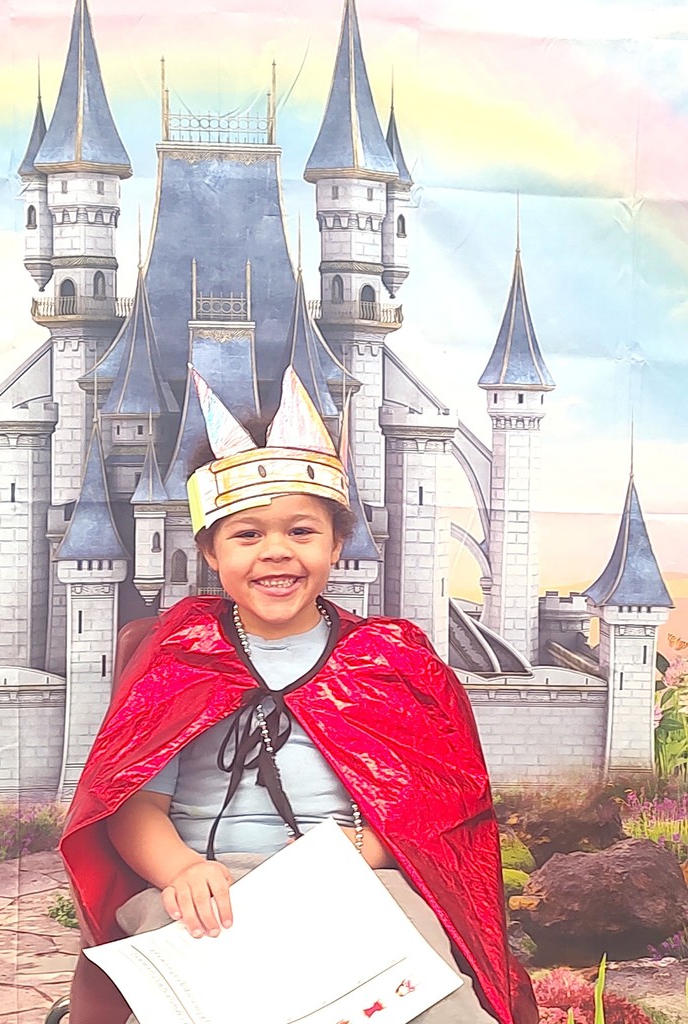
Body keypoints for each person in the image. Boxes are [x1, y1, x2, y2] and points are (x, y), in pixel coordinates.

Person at [59, 366, 539, 1024]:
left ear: (337, 544)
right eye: (247, 534)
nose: (276, 552)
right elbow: (130, 804)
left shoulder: (388, 661)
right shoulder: (179, 656)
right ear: (209, 551)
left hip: (351, 881)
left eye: (301, 532)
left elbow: (429, 810)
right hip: (206, 889)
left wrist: (351, 856)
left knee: (438, 1008)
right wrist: (181, 871)